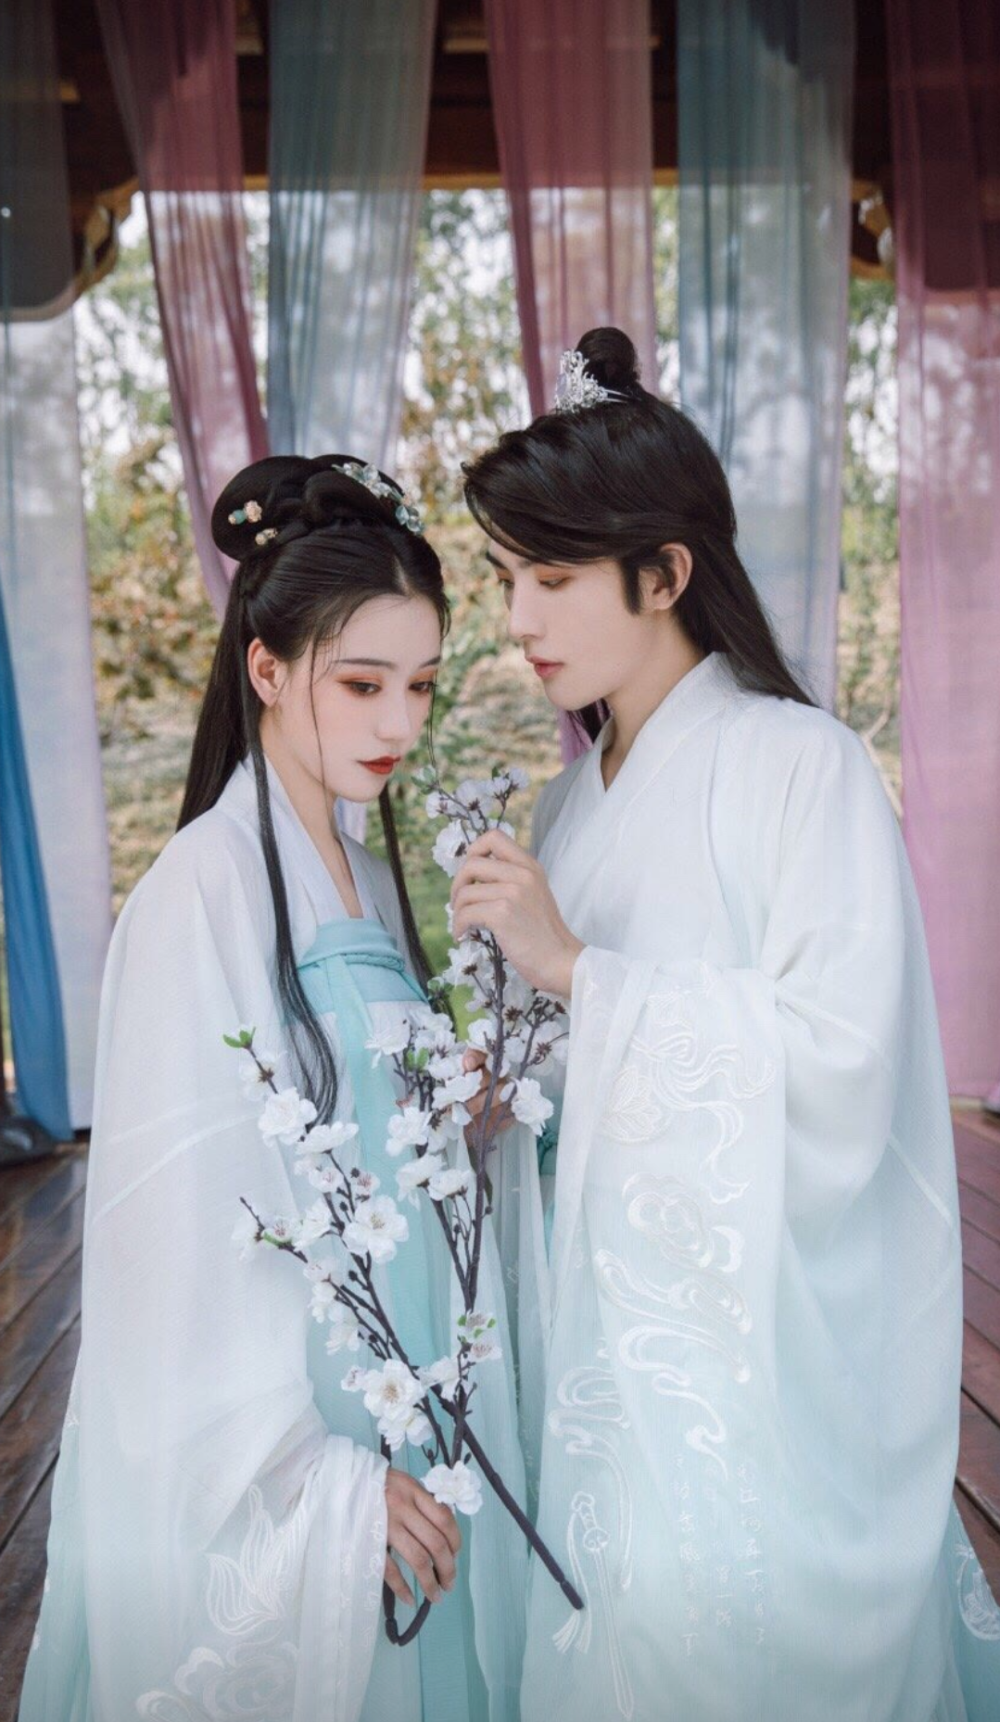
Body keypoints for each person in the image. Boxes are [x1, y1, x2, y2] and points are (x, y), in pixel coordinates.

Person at [450, 329, 1000, 1721]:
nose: (517, 618)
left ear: (665, 573)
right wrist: (510, 1088)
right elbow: (582, 1065)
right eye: (506, 579)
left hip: (754, 1342)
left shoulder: (800, 765)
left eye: (551, 578)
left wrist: (582, 974)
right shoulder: (566, 805)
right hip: (603, 1327)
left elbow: (845, 1063)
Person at [18, 455, 526, 1722]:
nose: (398, 723)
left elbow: (358, 1132)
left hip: (404, 1367)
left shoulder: (362, 872)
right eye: (361, 684)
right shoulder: (200, 889)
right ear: (265, 668)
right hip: (296, 1416)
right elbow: (174, 1239)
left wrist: (453, 1112)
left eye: (420, 684)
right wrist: (316, 1484)